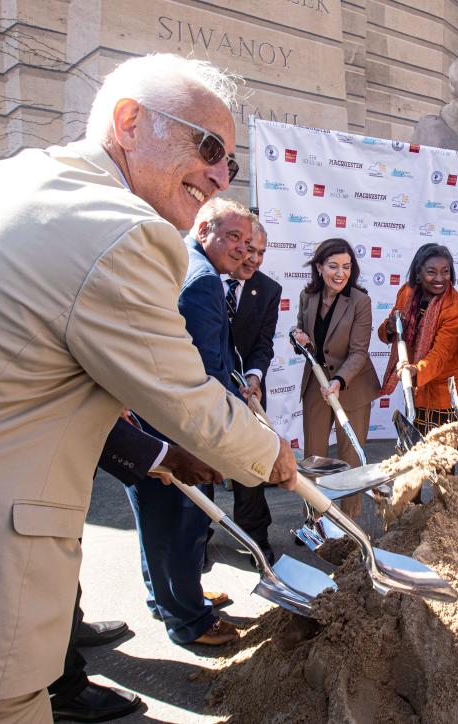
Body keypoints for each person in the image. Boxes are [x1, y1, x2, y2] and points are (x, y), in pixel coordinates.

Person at [0, 54, 297, 722]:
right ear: (129, 121)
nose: (218, 174)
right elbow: (184, 397)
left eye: (230, 163)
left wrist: (159, 456)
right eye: (208, 147)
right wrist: (276, 460)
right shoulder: (127, 230)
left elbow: (23, 384)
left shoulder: (0, 180)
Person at [125, 197, 259, 647]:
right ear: (204, 230)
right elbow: (201, 375)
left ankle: (167, 597)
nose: (242, 249)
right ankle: (188, 620)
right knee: (181, 523)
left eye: (247, 240)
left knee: (156, 522)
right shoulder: (201, 281)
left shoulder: (186, 265)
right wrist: (224, 434)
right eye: (233, 237)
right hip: (176, 429)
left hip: (149, 424)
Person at [50, 418, 222, 722]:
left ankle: (68, 629)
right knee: (47, 556)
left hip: (70, 447)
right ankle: (61, 686)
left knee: (64, 545)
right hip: (29, 457)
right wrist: (161, 455)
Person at [292, 238, 380, 516]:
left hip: (351, 386)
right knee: (314, 456)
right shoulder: (307, 297)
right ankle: (315, 519)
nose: (340, 273)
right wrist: (299, 338)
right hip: (316, 384)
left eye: (346, 266)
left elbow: (358, 352)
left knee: (350, 457)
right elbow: (301, 335)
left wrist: (339, 381)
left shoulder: (360, 301)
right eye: (333, 266)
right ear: (319, 267)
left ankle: (348, 522)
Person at [225, 220, 282, 557]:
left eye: (261, 252)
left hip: (249, 392)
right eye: (249, 249)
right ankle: (196, 541)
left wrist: (255, 377)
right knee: (199, 467)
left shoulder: (269, 290)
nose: (255, 259)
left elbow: (263, 344)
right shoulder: (205, 280)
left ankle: (254, 541)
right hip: (201, 389)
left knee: (251, 467)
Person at [378, 243, 458, 440]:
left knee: (441, 460)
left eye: (445, 271)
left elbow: (441, 354)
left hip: (442, 393)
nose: (439, 278)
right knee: (418, 455)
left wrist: (414, 372)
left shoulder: (456, 307)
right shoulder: (407, 293)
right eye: (431, 272)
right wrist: (391, 327)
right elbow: (386, 332)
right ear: (418, 274)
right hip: (417, 386)